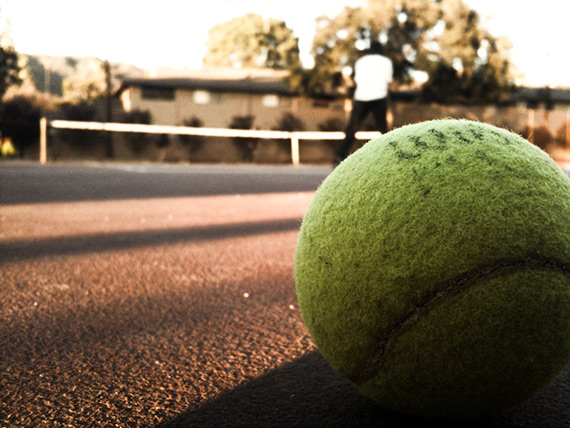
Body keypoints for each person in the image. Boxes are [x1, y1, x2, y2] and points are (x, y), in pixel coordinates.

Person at [334, 40, 393, 167]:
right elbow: (388, 83)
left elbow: (357, 80)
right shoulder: (386, 62)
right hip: (379, 97)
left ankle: (339, 157)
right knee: (383, 128)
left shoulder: (361, 61)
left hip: (361, 97)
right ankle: (393, 155)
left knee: (352, 128)